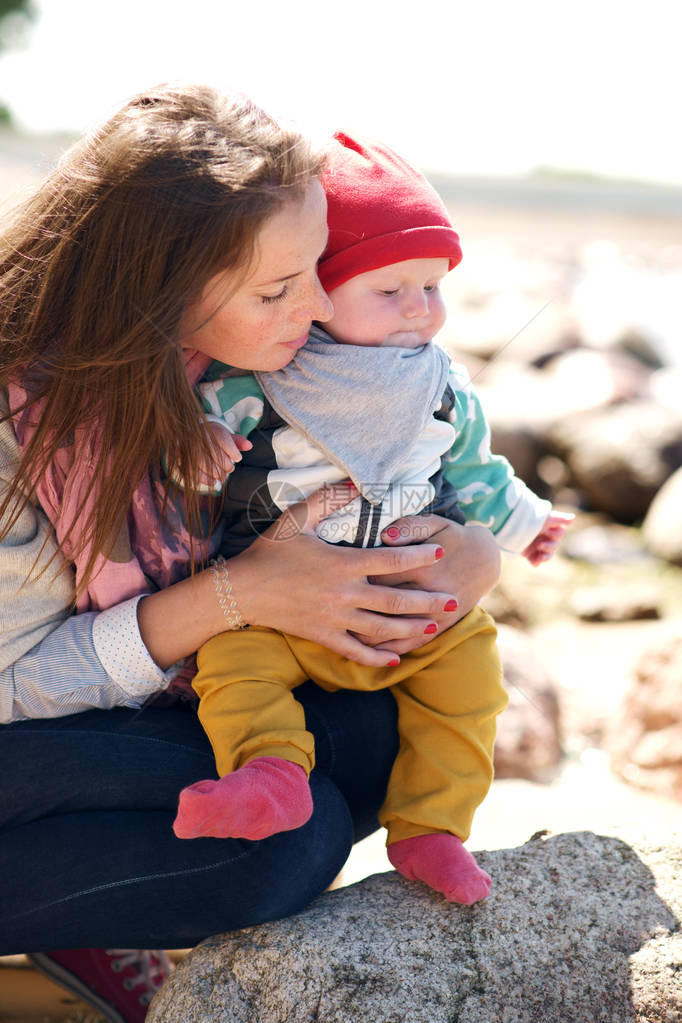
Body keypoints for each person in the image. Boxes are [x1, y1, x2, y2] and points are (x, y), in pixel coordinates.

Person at [0, 85, 501, 1022]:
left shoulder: (214, 376)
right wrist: (240, 597)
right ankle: (78, 924)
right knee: (281, 848)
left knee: (370, 739)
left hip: (137, 694)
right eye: (278, 289)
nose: (314, 306)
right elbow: (9, 686)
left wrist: (470, 558)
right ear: (155, 289)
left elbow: (417, 463)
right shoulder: (21, 425)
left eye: (315, 267)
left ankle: (88, 921)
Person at [166, 133, 573, 905]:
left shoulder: (442, 384)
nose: (420, 309)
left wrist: (522, 524)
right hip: (276, 611)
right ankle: (272, 771)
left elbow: (475, 469)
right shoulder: (265, 373)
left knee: (472, 675)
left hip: (406, 607)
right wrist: (194, 440)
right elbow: (187, 418)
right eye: (390, 290)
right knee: (232, 665)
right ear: (319, 289)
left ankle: (431, 826)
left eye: (433, 285)